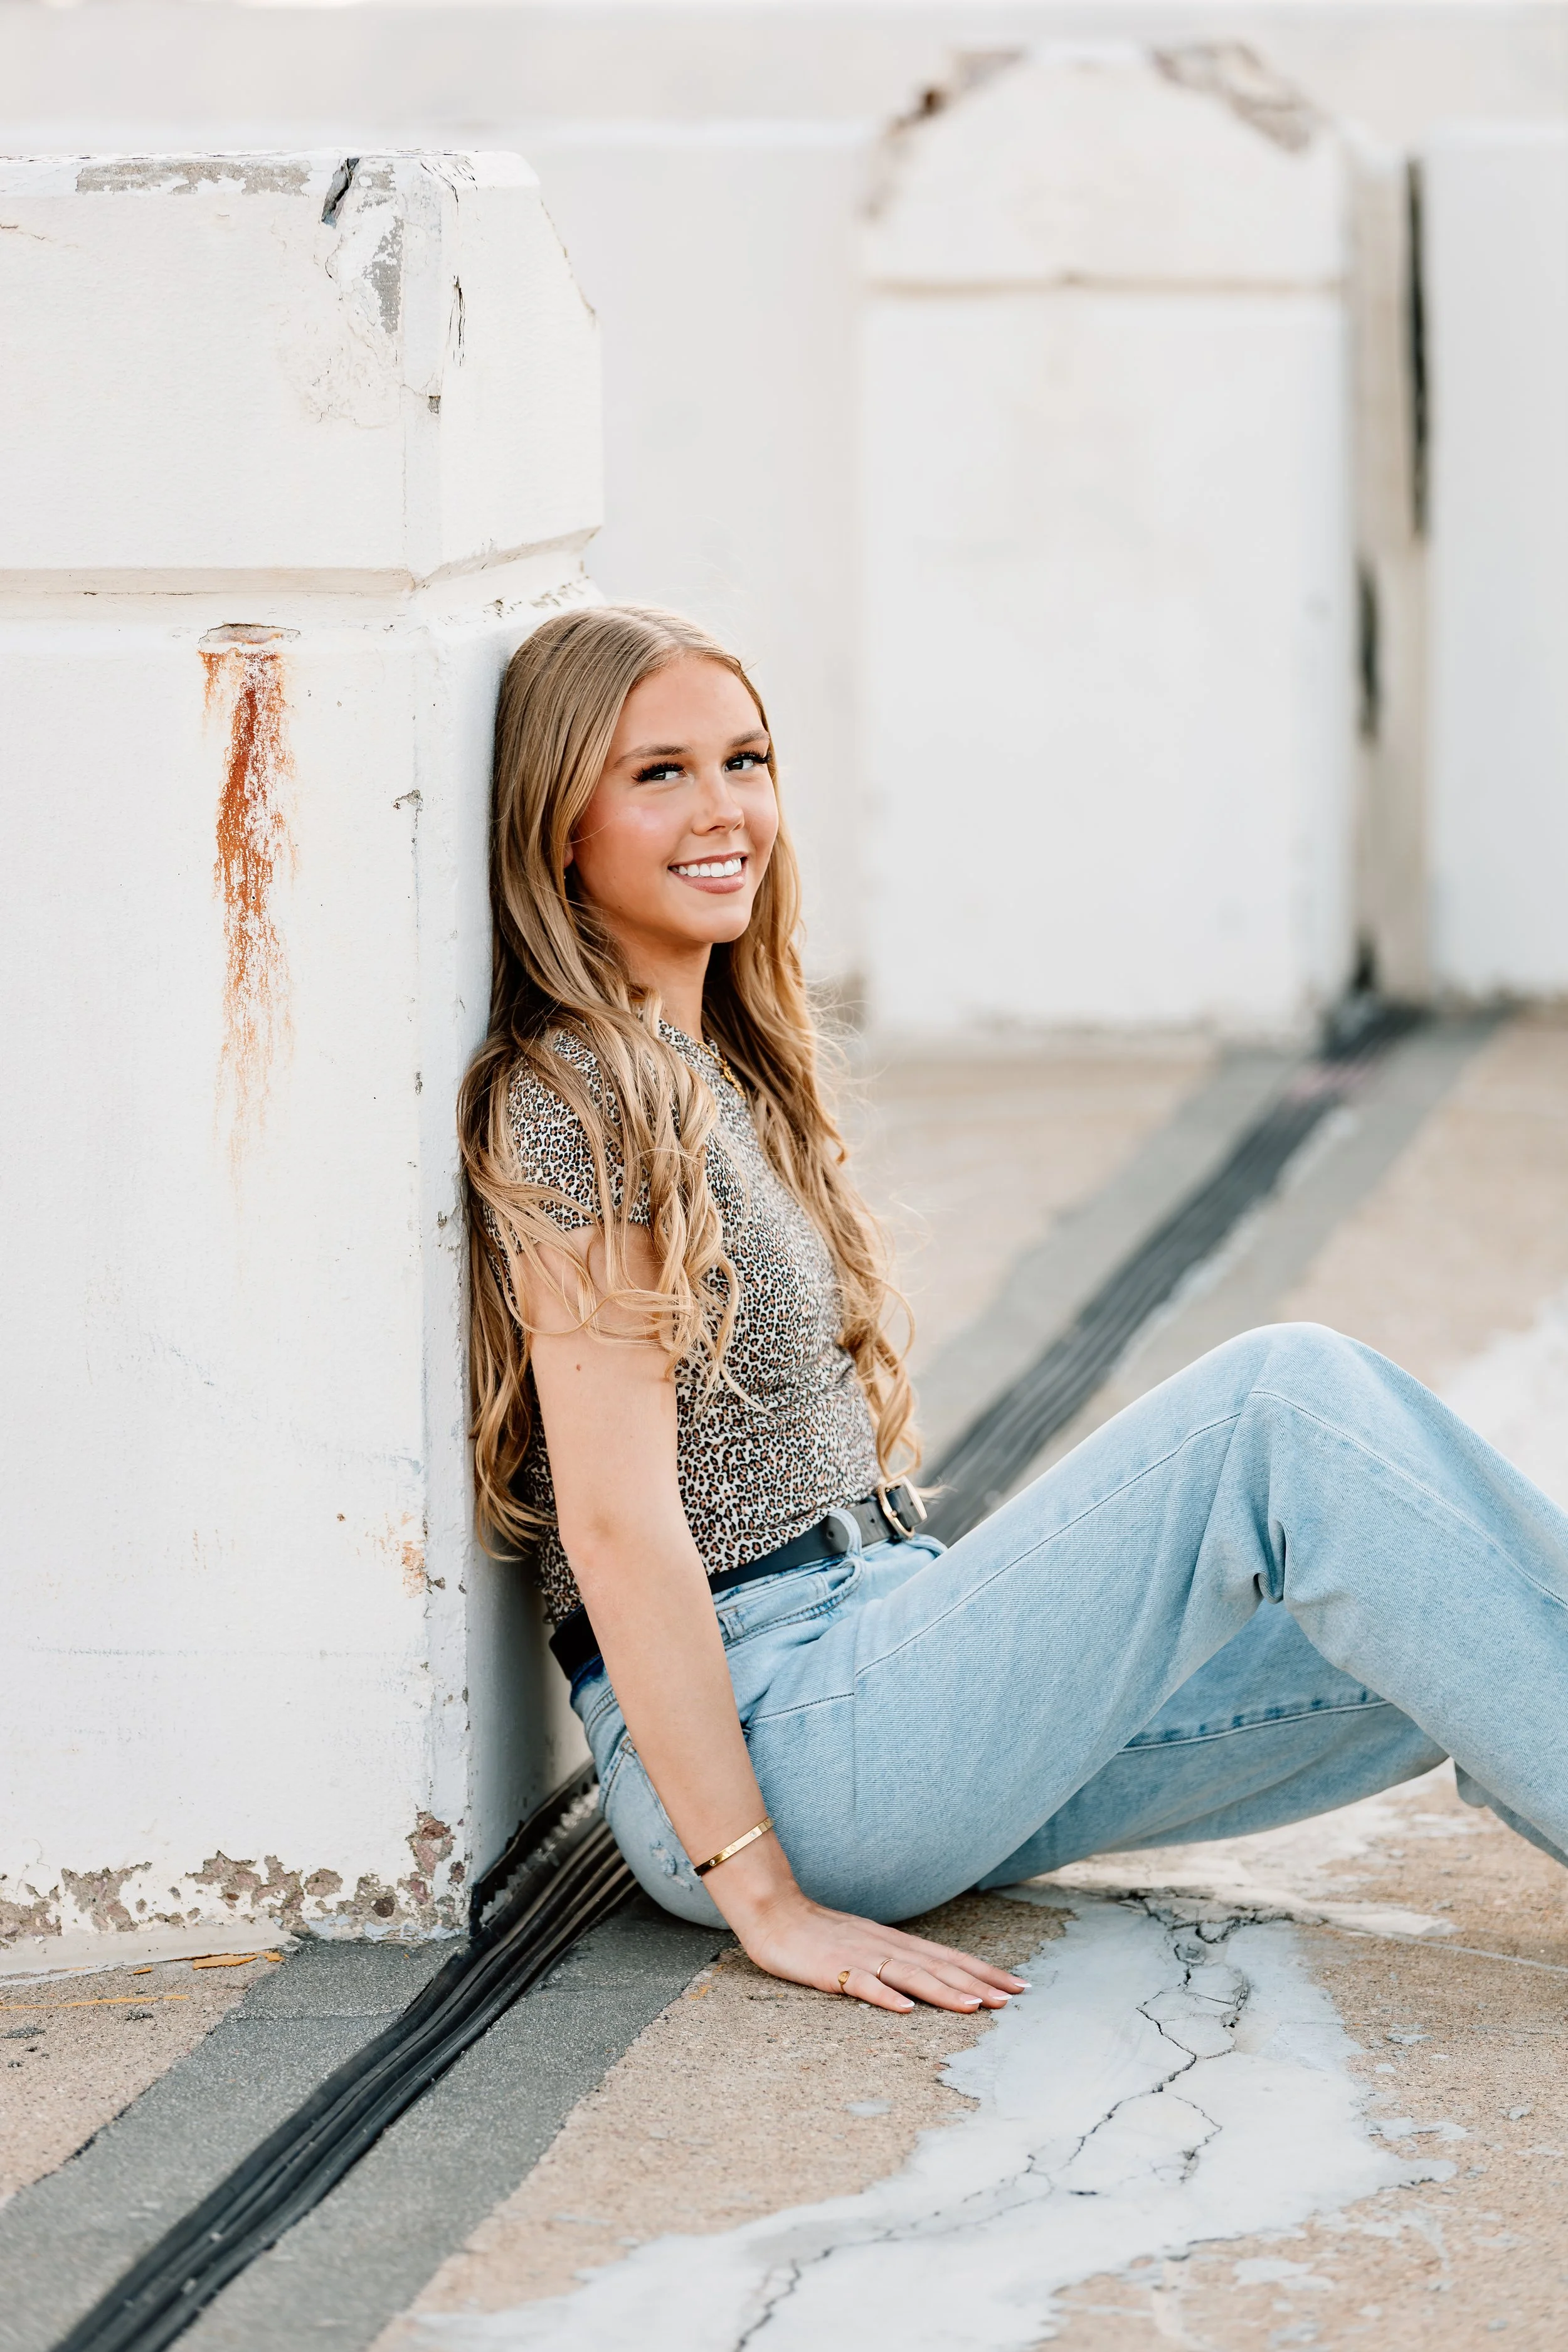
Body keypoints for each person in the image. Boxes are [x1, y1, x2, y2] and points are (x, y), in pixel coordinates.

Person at [460, 603, 1567, 2019]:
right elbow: (615, 1528)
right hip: (789, 1737)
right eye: (658, 773)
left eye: (744, 759)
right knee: (1282, 1406)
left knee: (1446, 1601)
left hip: (878, 1659)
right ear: (562, 826)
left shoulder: (710, 1064)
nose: (723, 807)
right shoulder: (577, 1094)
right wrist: (762, 1893)